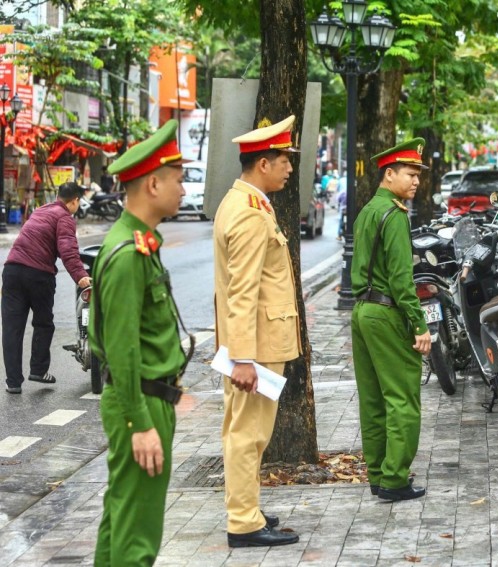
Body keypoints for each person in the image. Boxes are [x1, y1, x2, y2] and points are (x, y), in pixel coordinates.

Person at [89, 119, 191, 565]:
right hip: (141, 401)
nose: (184, 189)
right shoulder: (130, 254)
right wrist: (140, 424)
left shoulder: (139, 244)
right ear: (153, 184)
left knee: (121, 519)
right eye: (178, 179)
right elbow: (123, 348)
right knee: (138, 539)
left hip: (145, 397)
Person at [213, 116, 302, 547]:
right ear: (263, 163)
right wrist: (244, 357)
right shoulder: (249, 215)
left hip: (254, 343)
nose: (289, 168)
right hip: (258, 345)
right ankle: (244, 523)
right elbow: (243, 292)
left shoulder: (247, 203)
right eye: (284, 160)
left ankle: (246, 510)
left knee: (243, 431)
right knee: (249, 434)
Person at [351, 138, 432, 502]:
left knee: (373, 398)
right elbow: (402, 280)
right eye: (410, 174)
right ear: (389, 174)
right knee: (402, 398)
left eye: (418, 175)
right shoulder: (395, 216)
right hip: (386, 314)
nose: (416, 181)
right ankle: (395, 479)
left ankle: (378, 474)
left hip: (362, 312)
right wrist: (419, 325)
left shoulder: (369, 210)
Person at [2, 181, 91, 394]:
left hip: (12, 270)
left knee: (12, 328)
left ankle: (13, 383)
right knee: (43, 323)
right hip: (38, 275)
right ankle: (38, 370)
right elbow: (68, 250)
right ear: (74, 201)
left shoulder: (41, 210)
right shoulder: (65, 218)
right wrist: (81, 277)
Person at [336, 173, 347, 240]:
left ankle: (339, 235)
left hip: (343, 205)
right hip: (348, 206)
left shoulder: (341, 180)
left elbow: (337, 199)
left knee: (341, 219)